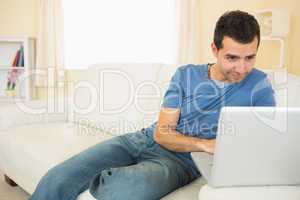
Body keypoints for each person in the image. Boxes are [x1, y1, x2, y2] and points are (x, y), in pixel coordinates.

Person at [30, 10, 275, 200]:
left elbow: (264, 143)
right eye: (232, 57)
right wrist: (206, 144)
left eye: (249, 57)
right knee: (59, 178)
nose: (241, 68)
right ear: (215, 49)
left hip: (182, 162)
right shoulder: (186, 75)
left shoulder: (260, 86)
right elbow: (162, 132)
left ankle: (108, 181)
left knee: (128, 188)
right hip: (141, 140)